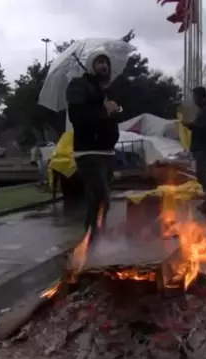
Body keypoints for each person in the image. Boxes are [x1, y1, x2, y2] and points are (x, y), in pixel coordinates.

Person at [66, 51, 122, 242]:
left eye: (106, 63)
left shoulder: (101, 90)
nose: (104, 66)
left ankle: (94, 238)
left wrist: (114, 111)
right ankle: (94, 238)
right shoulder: (78, 85)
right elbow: (77, 116)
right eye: (99, 62)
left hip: (106, 150)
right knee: (102, 197)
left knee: (97, 200)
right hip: (89, 151)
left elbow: (105, 117)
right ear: (90, 66)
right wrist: (104, 111)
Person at [184, 86, 206, 211]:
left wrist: (191, 125)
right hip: (201, 146)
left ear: (200, 96)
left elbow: (204, 127)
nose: (194, 100)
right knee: (202, 174)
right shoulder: (204, 109)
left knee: (202, 174)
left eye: (194, 97)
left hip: (204, 146)